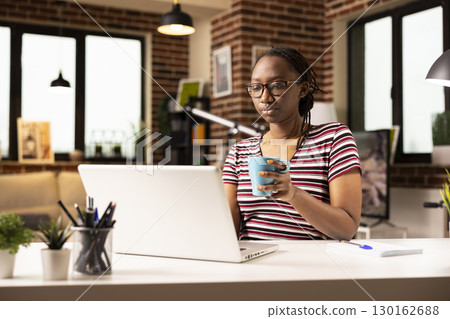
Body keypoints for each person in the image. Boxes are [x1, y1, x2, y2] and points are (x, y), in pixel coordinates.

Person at [222, 47, 362, 241]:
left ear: (302, 89)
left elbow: (347, 229)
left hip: (311, 267)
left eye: (277, 85)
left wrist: (293, 194)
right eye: (256, 87)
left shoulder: (333, 139)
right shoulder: (239, 152)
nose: (265, 97)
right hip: (253, 267)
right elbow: (226, 231)